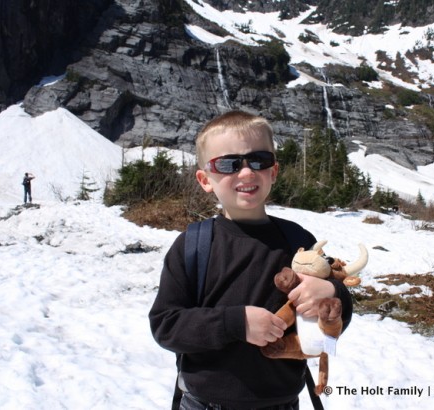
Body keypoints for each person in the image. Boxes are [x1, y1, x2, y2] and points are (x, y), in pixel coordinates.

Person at [149, 111, 353, 410]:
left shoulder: (298, 241)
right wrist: (235, 323)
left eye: (259, 160)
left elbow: (337, 317)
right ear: (205, 179)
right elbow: (166, 325)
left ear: (273, 171)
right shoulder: (193, 245)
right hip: (204, 404)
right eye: (228, 164)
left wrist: (333, 295)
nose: (246, 173)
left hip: (282, 403)